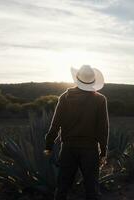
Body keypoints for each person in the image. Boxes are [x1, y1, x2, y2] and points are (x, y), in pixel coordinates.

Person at [44, 65, 109, 200]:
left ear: (77, 79)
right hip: (90, 149)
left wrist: (48, 146)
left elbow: (55, 124)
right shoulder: (100, 99)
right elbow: (102, 128)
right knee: (92, 188)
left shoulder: (64, 97)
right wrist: (103, 152)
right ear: (92, 81)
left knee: (62, 186)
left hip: (68, 148)